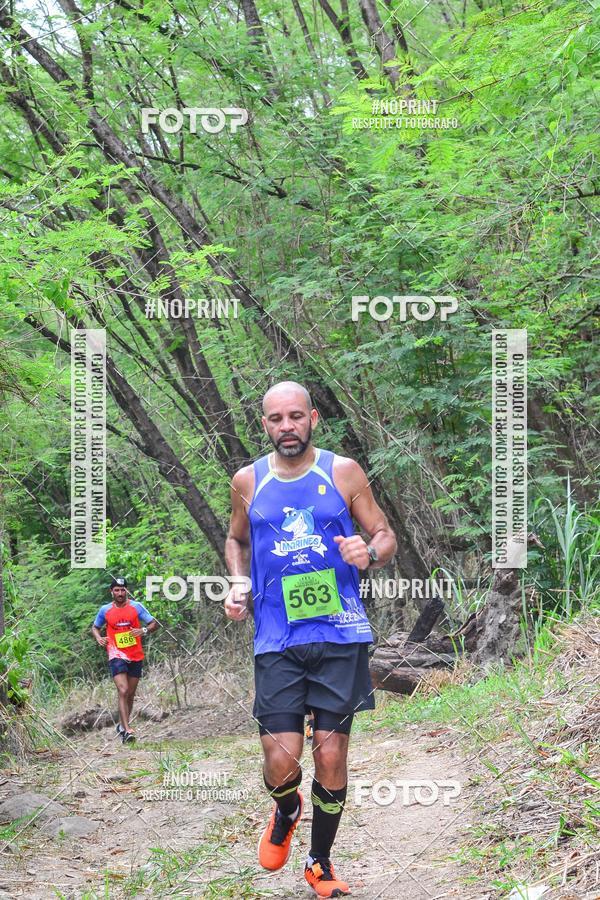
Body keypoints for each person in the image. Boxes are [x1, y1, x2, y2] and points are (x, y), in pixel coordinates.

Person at [224, 382, 396, 898]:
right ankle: (286, 808)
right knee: (281, 760)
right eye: (276, 419)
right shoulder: (247, 481)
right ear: (265, 425)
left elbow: (385, 534)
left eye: (296, 416)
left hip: (340, 634)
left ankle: (320, 861)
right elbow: (236, 539)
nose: (287, 427)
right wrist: (237, 581)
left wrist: (369, 552)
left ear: (313, 418)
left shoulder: (342, 472)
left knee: (330, 755)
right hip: (277, 638)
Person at [91, 576, 158, 744]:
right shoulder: (105, 610)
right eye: (117, 590)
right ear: (111, 592)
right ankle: (127, 730)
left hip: (135, 654)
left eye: (123, 590)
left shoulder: (136, 607)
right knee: (123, 690)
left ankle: (122, 726)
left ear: (126, 591)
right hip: (116, 654)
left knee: (130, 694)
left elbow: (153, 624)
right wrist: (99, 638)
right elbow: (95, 627)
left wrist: (143, 630)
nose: (120, 593)